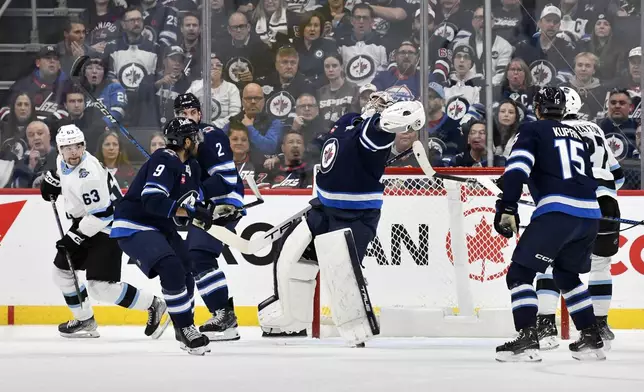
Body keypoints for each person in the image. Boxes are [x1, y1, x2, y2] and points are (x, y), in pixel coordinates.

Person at [257, 92, 426, 347]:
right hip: (323, 208)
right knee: (290, 253)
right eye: (375, 101)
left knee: (344, 270)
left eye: (382, 104)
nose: (373, 104)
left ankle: (356, 327)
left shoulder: (377, 133)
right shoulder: (349, 119)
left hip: (356, 215)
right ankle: (292, 321)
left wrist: (393, 118)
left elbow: (377, 130)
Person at [494, 86, 605, 362]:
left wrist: (507, 204)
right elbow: (566, 172)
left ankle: (528, 339)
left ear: (538, 108)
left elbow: (518, 168)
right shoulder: (579, 135)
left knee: (519, 274)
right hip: (590, 215)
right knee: (567, 276)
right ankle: (591, 337)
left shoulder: (532, 130)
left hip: (558, 214)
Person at [39, 124, 169, 339]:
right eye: (67, 147)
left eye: (77, 147)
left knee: (100, 288)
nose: (73, 152)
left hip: (108, 227)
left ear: (84, 147)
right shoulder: (63, 160)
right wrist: (53, 181)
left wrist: (74, 237)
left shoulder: (90, 174)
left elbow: (103, 215)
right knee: (62, 273)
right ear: (60, 148)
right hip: (86, 221)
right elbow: (63, 175)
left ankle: (154, 304)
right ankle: (84, 319)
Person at [532, 86, 625, 350]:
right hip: (607, 202)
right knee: (600, 266)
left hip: (572, 202)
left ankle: (546, 326)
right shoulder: (596, 130)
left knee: (548, 261)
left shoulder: (554, 133)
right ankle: (600, 326)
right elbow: (617, 176)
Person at [110, 118, 212, 355]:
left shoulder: (192, 167)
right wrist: (191, 211)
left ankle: (182, 327)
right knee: (171, 268)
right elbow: (153, 200)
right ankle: (186, 328)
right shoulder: (164, 159)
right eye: (195, 137)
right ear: (186, 141)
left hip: (160, 227)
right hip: (134, 225)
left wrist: (207, 212)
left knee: (187, 267)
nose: (199, 142)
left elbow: (185, 207)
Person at [173, 93, 244, 341]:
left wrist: (195, 194)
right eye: (182, 114)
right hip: (203, 206)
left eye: (191, 112)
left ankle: (223, 315)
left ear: (200, 115)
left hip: (224, 203)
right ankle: (223, 317)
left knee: (198, 256)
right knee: (192, 259)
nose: (187, 117)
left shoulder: (211, 135)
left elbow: (226, 179)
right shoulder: (179, 143)